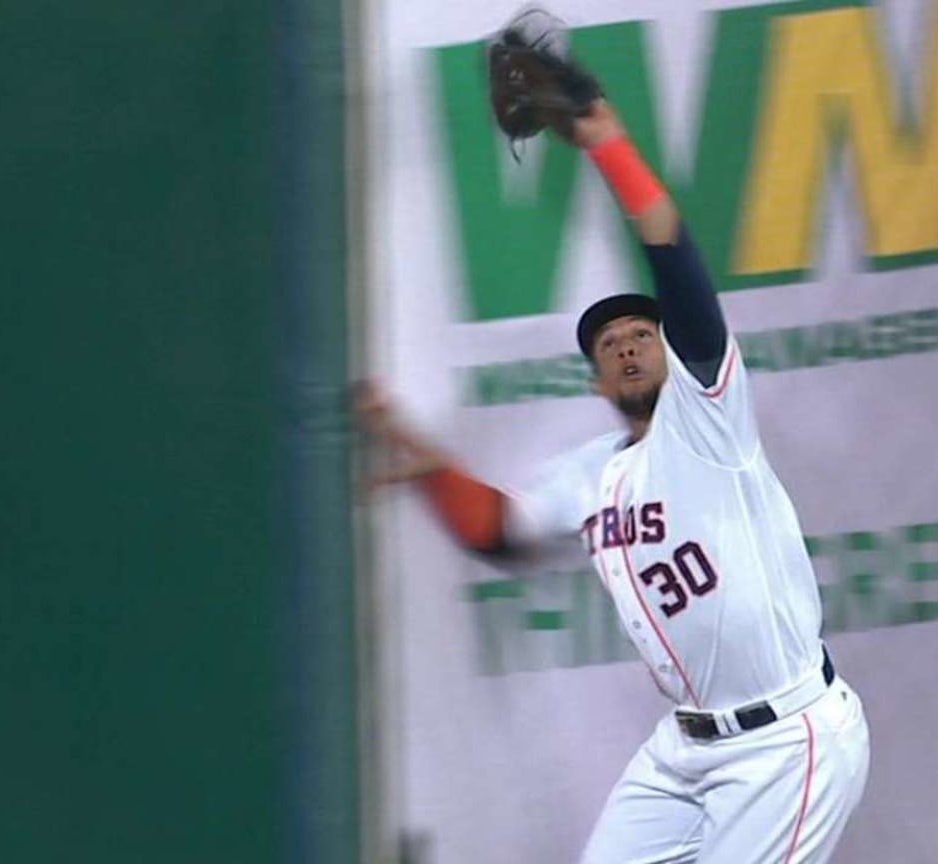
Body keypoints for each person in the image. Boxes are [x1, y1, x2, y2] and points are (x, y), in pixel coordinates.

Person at [360, 96, 870, 863]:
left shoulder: (708, 421)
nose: (629, 348)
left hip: (786, 745)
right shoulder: (587, 475)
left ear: (672, 355)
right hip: (685, 751)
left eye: (642, 335)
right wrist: (426, 464)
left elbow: (680, 269)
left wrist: (608, 146)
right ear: (597, 381)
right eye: (610, 344)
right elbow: (498, 533)